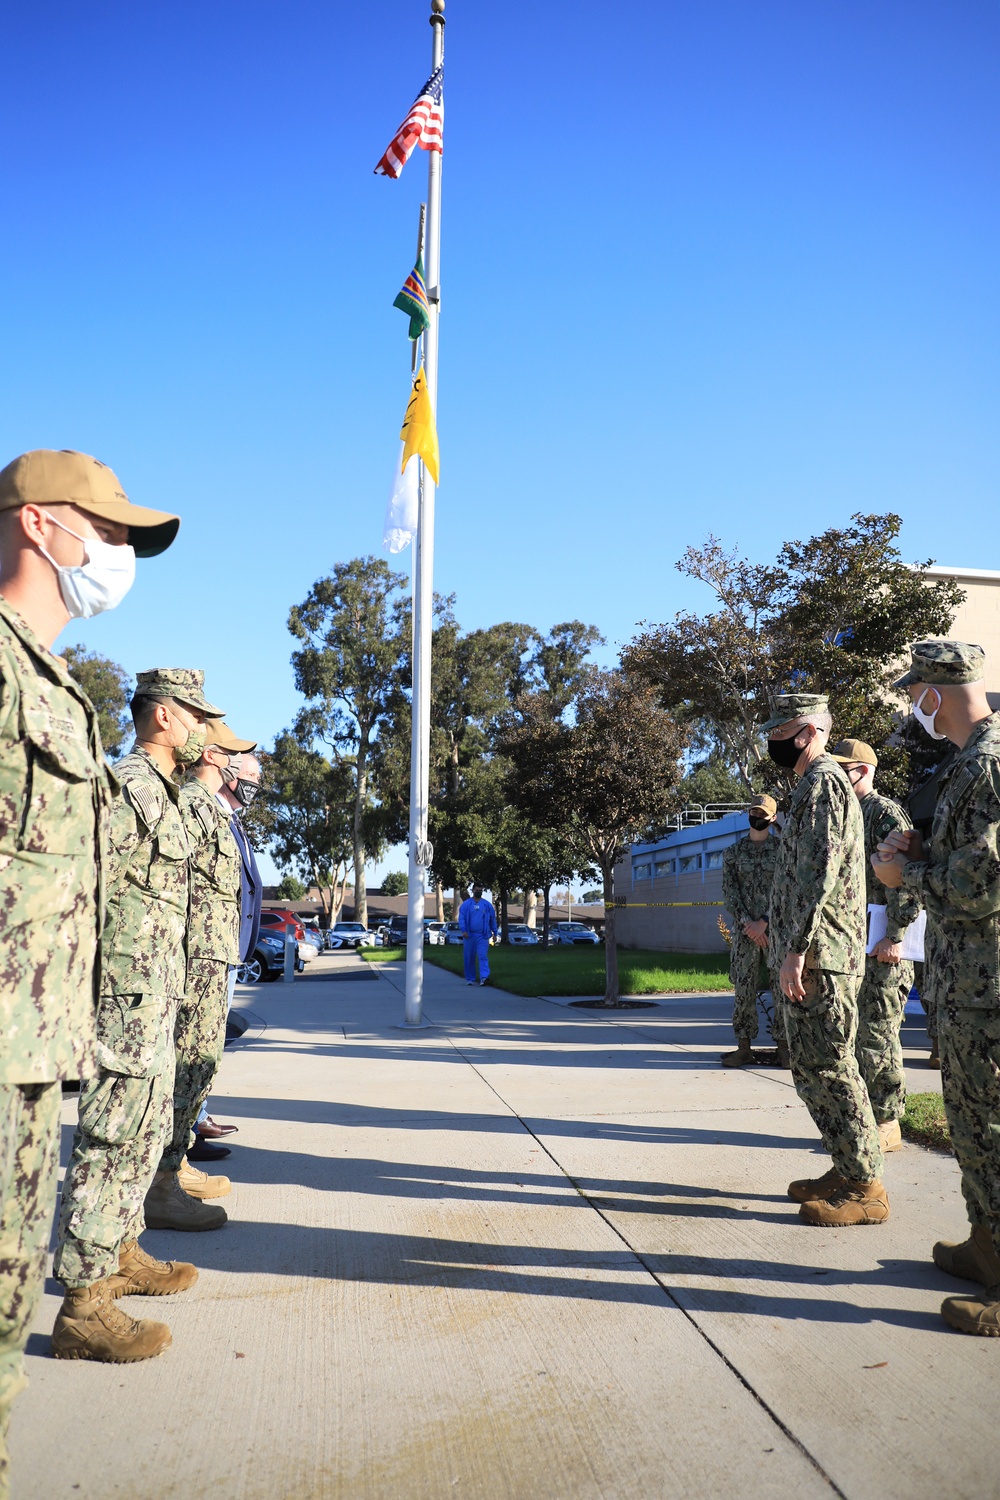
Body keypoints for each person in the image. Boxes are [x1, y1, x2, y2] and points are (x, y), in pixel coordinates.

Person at [0, 449, 179, 1492]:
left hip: (31, 1046)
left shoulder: (53, 682)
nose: (118, 554)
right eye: (106, 530)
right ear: (37, 525)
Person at [51, 668, 227, 1363]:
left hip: (159, 990)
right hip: (124, 995)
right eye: (193, 717)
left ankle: (121, 1248)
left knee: (144, 1131)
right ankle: (84, 1304)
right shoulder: (127, 787)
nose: (201, 730)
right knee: (111, 1134)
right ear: (160, 715)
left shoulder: (171, 794)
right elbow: (86, 884)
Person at [872, 639, 1000, 1336]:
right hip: (965, 985)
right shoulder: (963, 768)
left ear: (936, 692)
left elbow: (980, 886)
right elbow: (964, 861)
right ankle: (988, 1244)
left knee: (996, 1127)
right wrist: (920, 852)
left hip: (990, 985)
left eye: (913, 692)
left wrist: (905, 878)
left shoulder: (990, 767)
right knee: (975, 1126)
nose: (910, 705)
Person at [763, 692, 887, 1227]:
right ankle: (845, 1166)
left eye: (782, 733)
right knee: (813, 1069)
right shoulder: (810, 786)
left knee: (833, 1067)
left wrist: (795, 949)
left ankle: (867, 1186)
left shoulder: (825, 784)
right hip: (810, 953)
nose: (774, 743)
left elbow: (819, 873)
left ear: (810, 732)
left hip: (822, 956)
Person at [145, 722, 255, 1215]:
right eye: (234, 754)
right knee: (187, 1066)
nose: (242, 765)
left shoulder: (209, 807)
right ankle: (164, 1180)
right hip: (195, 957)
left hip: (214, 955)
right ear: (213, 755)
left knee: (199, 1067)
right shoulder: (192, 803)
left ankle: (174, 1165)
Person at [830, 739, 922, 1154]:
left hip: (883, 945)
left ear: (863, 771)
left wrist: (895, 936)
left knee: (879, 1033)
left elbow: (905, 877)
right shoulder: (849, 813)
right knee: (857, 1035)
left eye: (843, 768)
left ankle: (887, 1122)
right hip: (855, 945)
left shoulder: (884, 814)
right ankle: (868, 1119)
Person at [187, 750, 264, 1158]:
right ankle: (191, 1129)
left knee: (209, 1044)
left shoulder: (234, 822)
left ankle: (198, 1117)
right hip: (207, 951)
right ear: (229, 772)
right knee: (198, 1043)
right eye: (249, 774)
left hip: (227, 951)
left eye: (258, 777)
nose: (255, 783)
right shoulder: (206, 813)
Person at [720, 794, 782, 1067]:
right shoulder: (733, 853)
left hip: (775, 932)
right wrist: (749, 923)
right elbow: (729, 892)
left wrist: (765, 921)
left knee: (782, 989)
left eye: (763, 813)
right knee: (743, 989)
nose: (757, 817)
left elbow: (786, 891)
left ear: (773, 818)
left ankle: (785, 1048)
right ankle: (743, 1046)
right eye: (754, 812)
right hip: (745, 934)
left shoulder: (783, 852)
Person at [458, 884, 498, 985]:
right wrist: (463, 930)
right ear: (472, 890)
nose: (479, 892)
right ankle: (470, 978)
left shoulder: (487, 905)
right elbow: (461, 919)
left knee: (482, 956)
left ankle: (484, 977)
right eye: (477, 890)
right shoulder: (466, 905)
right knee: (469, 957)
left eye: (481, 890)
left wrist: (495, 933)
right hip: (469, 935)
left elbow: (492, 920)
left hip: (483, 936)